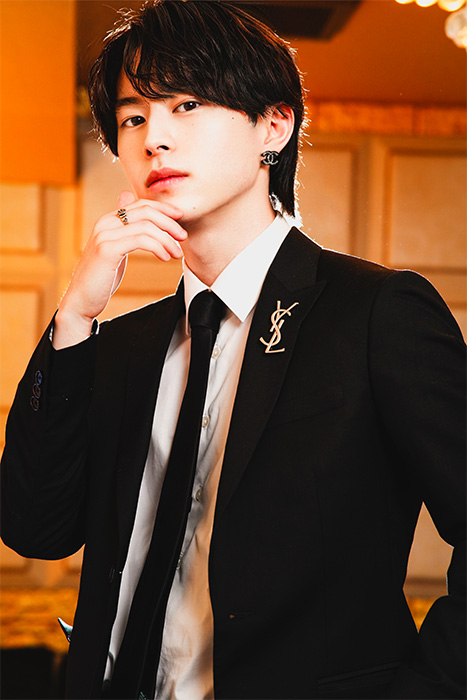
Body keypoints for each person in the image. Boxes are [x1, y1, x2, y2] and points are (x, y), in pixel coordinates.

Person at [1, 1, 465, 699]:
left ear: (273, 126)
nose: (155, 138)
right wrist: (74, 317)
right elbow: (37, 530)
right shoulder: (121, 345)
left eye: (186, 105)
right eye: (133, 117)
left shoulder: (376, 313)